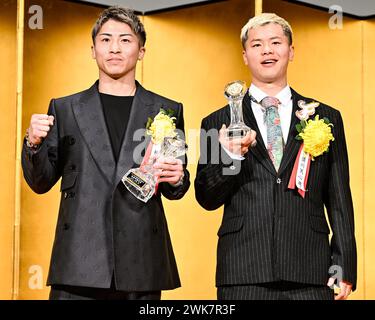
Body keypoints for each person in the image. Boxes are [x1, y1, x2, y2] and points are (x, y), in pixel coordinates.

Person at [22, 6, 190, 300]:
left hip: (140, 260)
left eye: (125, 40)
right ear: (93, 49)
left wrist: (177, 179)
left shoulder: (166, 110)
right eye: (106, 40)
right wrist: (33, 143)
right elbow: (40, 182)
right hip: (78, 259)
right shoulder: (65, 109)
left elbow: (175, 188)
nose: (114, 48)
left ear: (141, 51)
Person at [195, 13, 356, 300]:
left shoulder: (326, 117)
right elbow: (206, 197)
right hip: (243, 271)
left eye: (275, 42)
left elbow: (340, 198)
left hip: (311, 271)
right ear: (245, 56)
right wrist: (232, 158)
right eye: (257, 45)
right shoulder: (216, 121)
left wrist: (343, 266)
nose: (267, 50)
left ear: (291, 51)